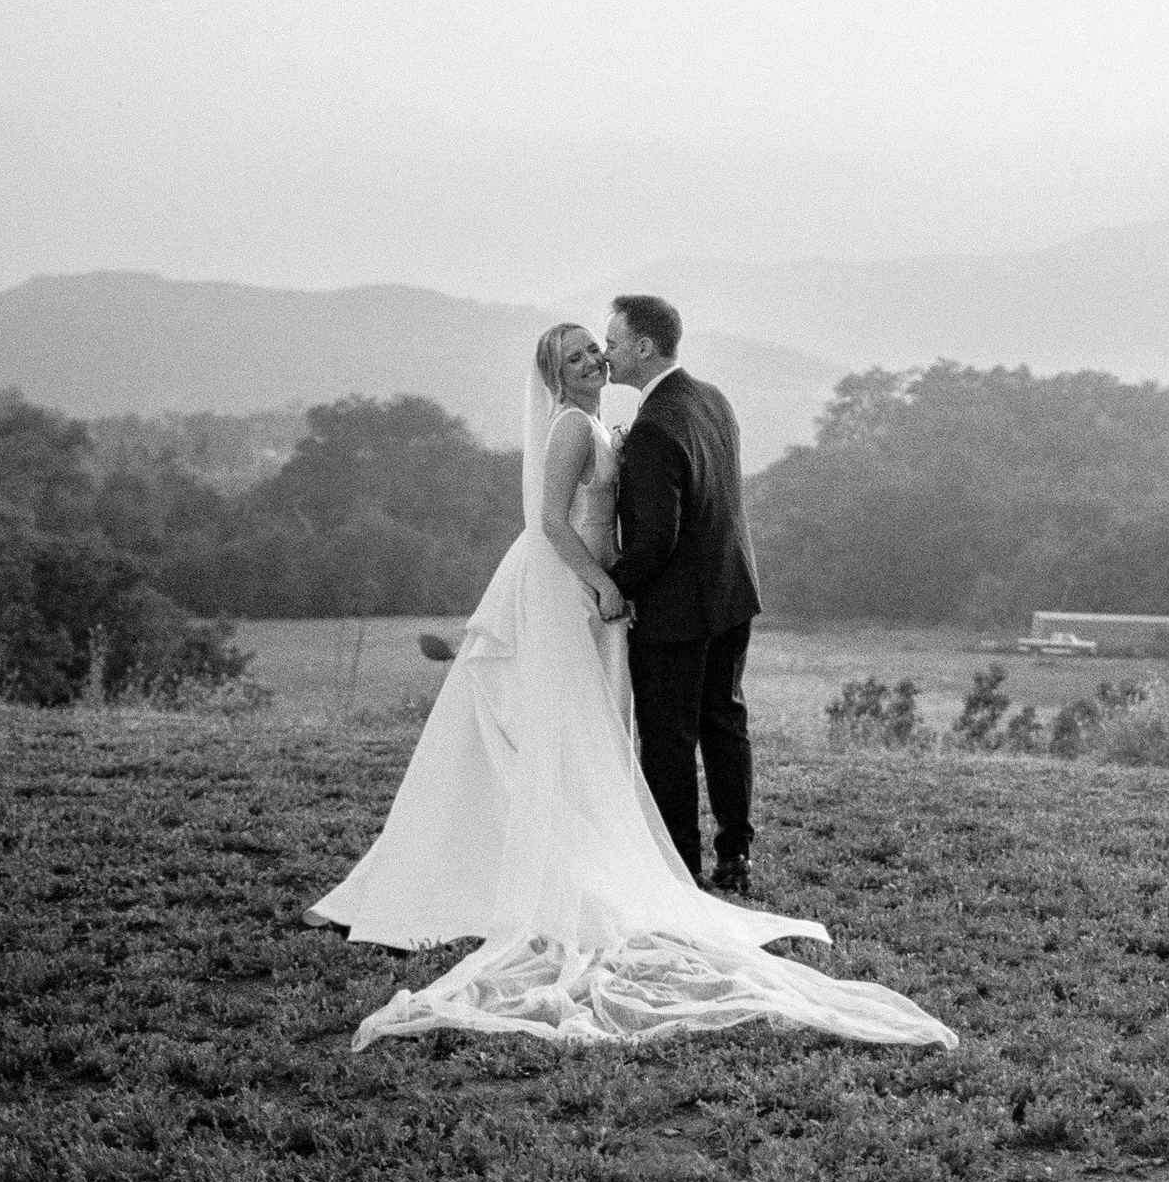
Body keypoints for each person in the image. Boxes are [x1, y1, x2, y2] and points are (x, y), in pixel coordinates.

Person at [301, 323, 955, 1051]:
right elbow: (551, 521)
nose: (594, 359)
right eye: (577, 355)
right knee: (559, 719)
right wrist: (606, 584)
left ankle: (561, 843)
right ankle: (474, 862)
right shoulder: (573, 428)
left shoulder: (606, 425)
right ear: (557, 376)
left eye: (595, 347)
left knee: (584, 725)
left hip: (598, 590)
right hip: (568, 584)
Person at [602, 294, 759, 892]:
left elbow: (654, 543)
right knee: (725, 720)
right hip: (732, 589)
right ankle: (736, 854)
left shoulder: (652, 429)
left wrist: (607, 591)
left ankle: (678, 872)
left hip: (677, 612)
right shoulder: (712, 400)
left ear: (643, 347)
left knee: (668, 740)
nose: (607, 354)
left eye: (613, 343)